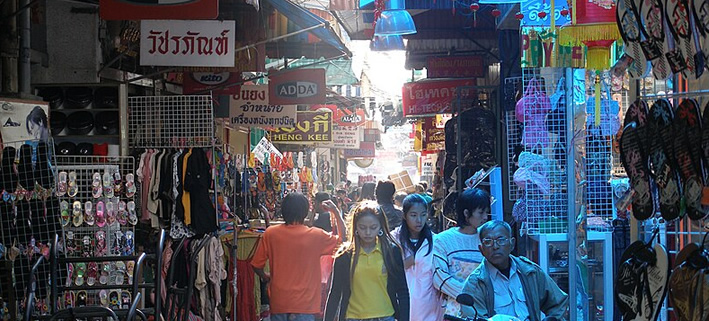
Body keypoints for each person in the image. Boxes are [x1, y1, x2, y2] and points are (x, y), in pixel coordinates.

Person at [251, 193, 346, 321]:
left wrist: (267, 276)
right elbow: (343, 240)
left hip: (279, 302)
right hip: (306, 304)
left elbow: (256, 265)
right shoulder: (316, 236)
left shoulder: (271, 233)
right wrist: (335, 212)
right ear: (305, 212)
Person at [461, 220, 568, 321]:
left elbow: (558, 303)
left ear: (512, 244)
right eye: (488, 242)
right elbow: (473, 317)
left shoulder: (530, 271)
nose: (495, 246)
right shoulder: (476, 283)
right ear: (481, 249)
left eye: (501, 240)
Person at [324, 201, 410, 321]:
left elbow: (402, 290)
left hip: (386, 316)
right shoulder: (345, 255)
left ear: (380, 226)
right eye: (363, 227)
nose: (368, 232)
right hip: (353, 317)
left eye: (373, 227)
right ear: (355, 227)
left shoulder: (391, 251)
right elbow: (335, 293)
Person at [433, 188, 490, 316]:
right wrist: (471, 295)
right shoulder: (443, 240)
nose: (485, 217)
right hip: (453, 311)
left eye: (486, 212)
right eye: (480, 213)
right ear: (466, 213)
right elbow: (438, 277)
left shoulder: (488, 238)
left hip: (485, 309)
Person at [391, 194, 443, 321]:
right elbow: (386, 270)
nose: (419, 220)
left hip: (429, 306)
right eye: (413, 215)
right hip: (401, 303)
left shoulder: (436, 241)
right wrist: (406, 263)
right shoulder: (393, 239)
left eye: (423, 215)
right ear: (404, 215)